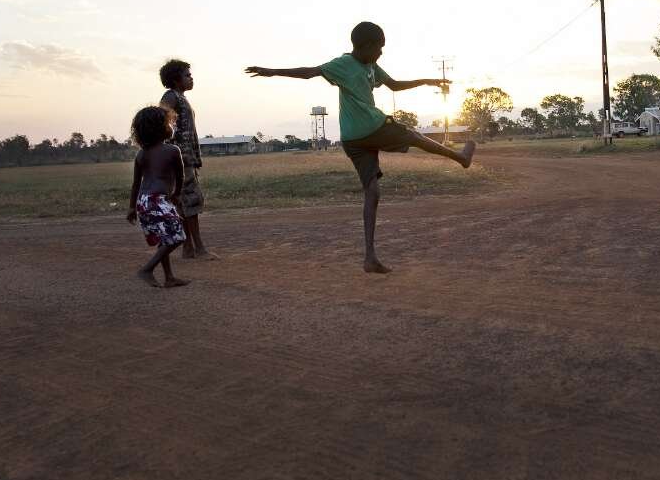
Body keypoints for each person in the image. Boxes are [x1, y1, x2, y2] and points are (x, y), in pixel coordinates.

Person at [245, 21, 475, 274]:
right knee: (411, 134)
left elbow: (395, 85)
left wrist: (428, 80)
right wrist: (273, 71)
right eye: (379, 48)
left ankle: (369, 258)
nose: (381, 53)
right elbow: (309, 71)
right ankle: (460, 157)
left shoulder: (371, 66)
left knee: (372, 192)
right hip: (370, 127)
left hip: (353, 140)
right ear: (365, 46)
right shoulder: (342, 65)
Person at [159, 59, 217, 259]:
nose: (191, 78)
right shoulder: (171, 97)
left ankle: (188, 248)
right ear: (176, 80)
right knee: (190, 202)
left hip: (183, 158)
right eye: (187, 75)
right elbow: (162, 119)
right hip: (180, 160)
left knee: (183, 203)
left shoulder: (179, 97)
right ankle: (199, 248)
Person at [127, 106, 190, 288]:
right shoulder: (172, 150)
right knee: (177, 237)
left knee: (164, 238)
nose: (172, 126)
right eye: (169, 123)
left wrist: (132, 208)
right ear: (160, 128)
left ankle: (169, 277)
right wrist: (177, 195)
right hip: (158, 200)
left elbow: (135, 184)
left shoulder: (141, 154)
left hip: (143, 201)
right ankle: (147, 269)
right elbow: (180, 177)